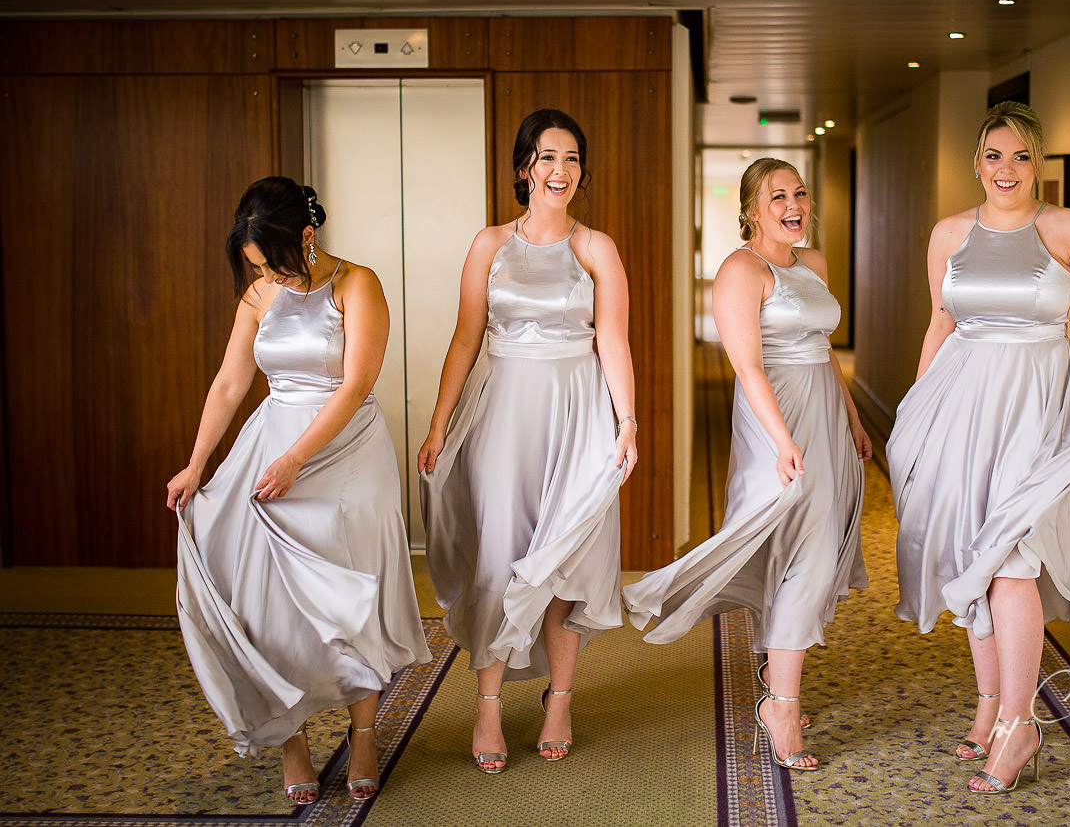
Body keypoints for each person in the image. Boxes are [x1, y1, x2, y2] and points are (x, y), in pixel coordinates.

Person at [887, 101, 1070, 794]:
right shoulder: (948, 234)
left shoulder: (1067, 229)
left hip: (1039, 407)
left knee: (1012, 558)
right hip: (961, 403)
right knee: (974, 550)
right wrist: (915, 413)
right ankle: (991, 706)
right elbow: (939, 323)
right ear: (976, 163)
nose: (1007, 169)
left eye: (1021, 155)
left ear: (1040, 163)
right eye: (994, 155)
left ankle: (1020, 723)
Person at [167, 176, 431, 805]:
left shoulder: (357, 284)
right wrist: (198, 462)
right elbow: (231, 383)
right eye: (256, 266)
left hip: (341, 451)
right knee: (271, 605)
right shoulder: (259, 293)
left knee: (350, 594)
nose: (269, 278)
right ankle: (292, 739)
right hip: (272, 445)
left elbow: (355, 384)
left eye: (274, 263)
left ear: (306, 237)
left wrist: (297, 458)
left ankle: (364, 733)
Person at [624, 158, 869, 772]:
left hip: (824, 416)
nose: (793, 204)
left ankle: (775, 666)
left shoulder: (812, 265)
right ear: (751, 210)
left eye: (800, 193)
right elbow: (748, 366)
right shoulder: (740, 269)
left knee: (806, 546)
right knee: (792, 545)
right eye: (777, 196)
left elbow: (825, 353)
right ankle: (780, 704)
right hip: (774, 420)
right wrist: (785, 440)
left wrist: (853, 419)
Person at [417, 109, 637, 774]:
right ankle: (487, 705)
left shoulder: (596, 248)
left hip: (578, 414)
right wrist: (438, 423)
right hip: (505, 413)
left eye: (571, 159)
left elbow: (614, 341)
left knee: (567, 561)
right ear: (523, 168)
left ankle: (560, 698)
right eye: (547, 157)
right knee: (498, 558)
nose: (560, 171)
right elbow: (465, 338)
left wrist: (627, 421)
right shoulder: (489, 244)